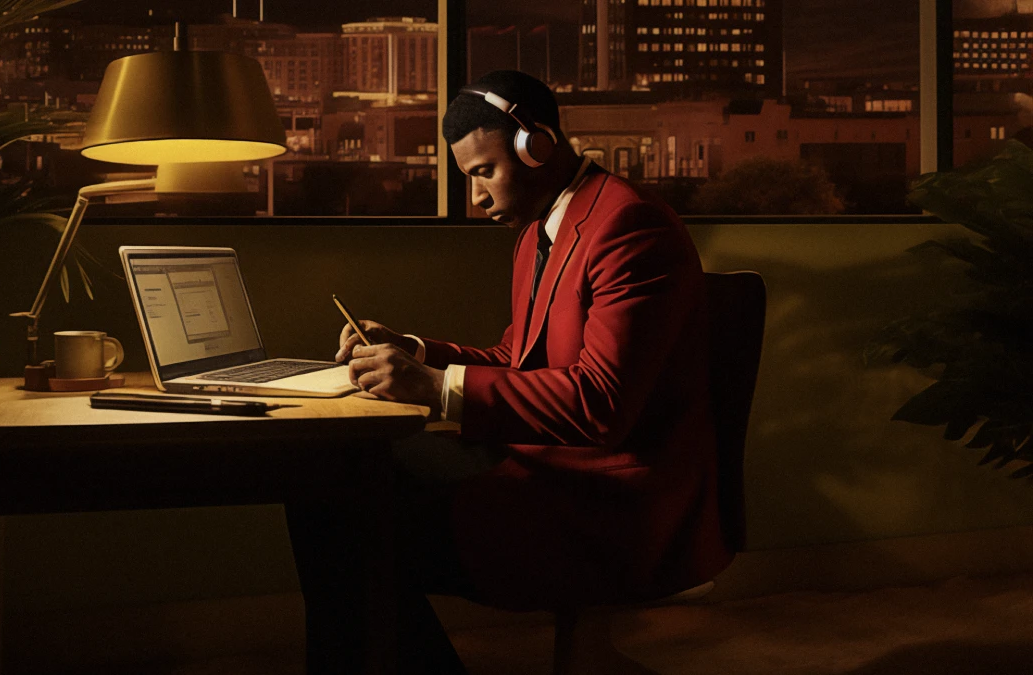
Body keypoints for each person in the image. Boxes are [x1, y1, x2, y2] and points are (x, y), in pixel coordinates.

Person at [284, 70, 733, 674]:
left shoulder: (628, 227)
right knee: (330, 480)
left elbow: (599, 402)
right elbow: (518, 361)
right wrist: (419, 352)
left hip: (608, 499)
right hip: (548, 463)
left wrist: (436, 389)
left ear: (537, 146)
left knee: (345, 529)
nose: (476, 198)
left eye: (483, 173)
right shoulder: (541, 231)